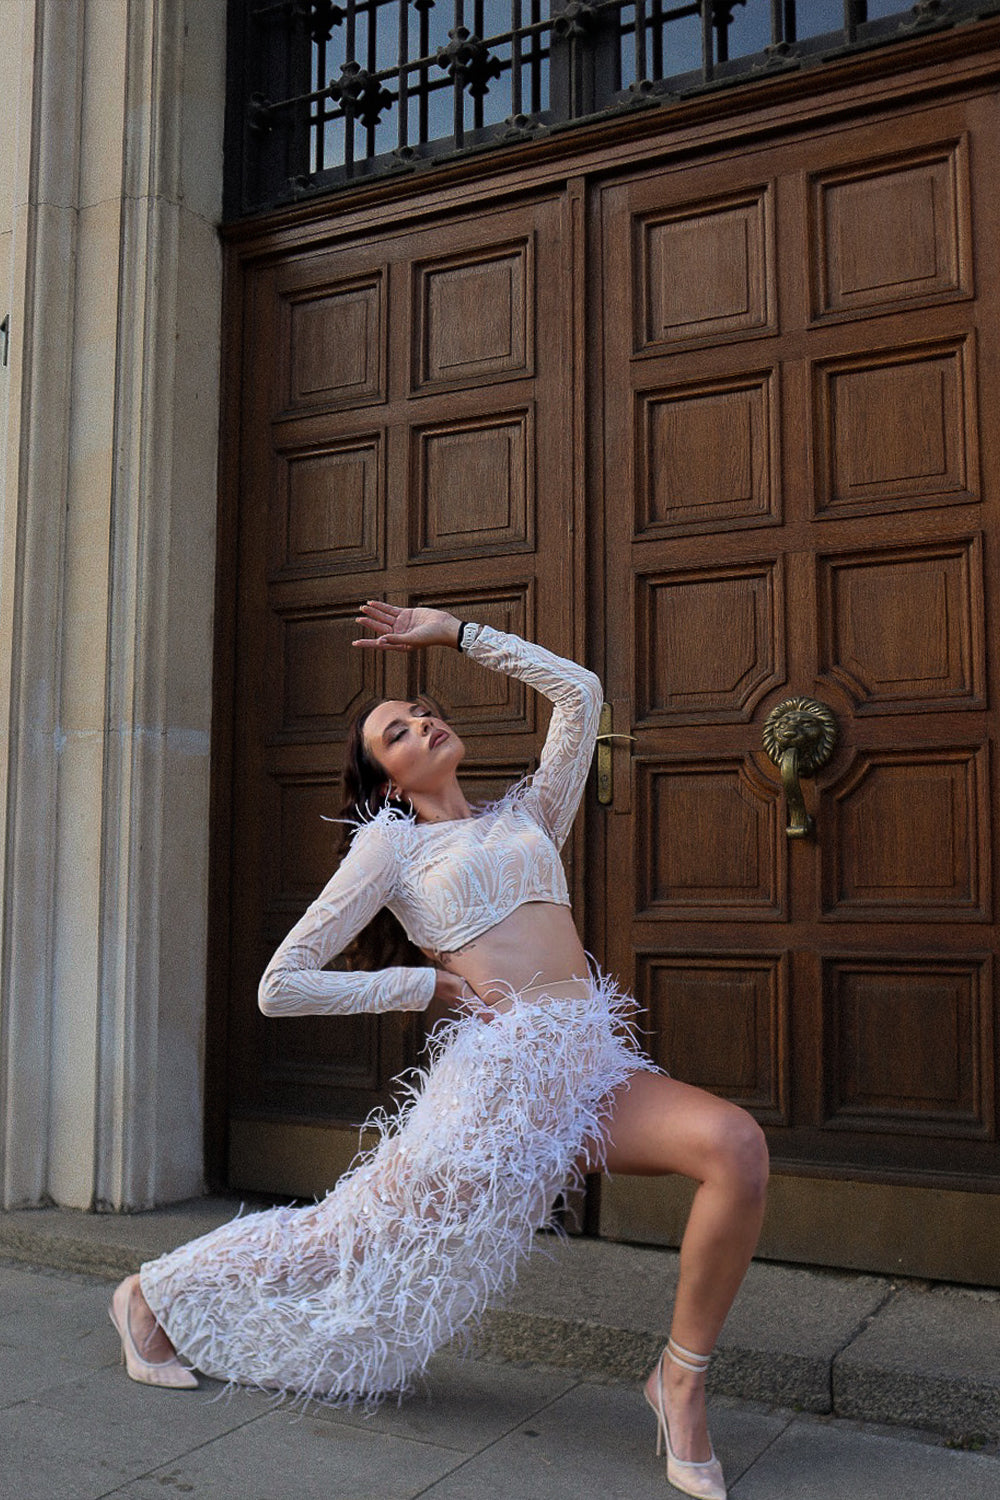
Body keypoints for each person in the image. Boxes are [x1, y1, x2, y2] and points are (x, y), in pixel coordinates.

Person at [109, 603, 768, 1500]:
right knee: (344, 1236)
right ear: (385, 778)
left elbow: (580, 693)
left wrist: (456, 634)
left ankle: (679, 1382)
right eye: (399, 730)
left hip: (590, 1073)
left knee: (736, 1147)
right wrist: (422, 986)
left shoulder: (533, 810)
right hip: (495, 1099)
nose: (424, 722)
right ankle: (147, 1295)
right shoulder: (392, 849)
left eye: (422, 711)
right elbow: (281, 982)